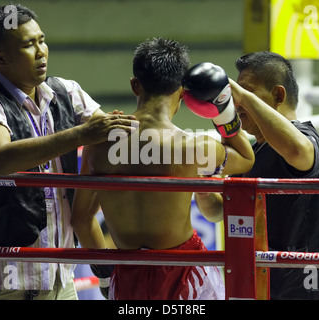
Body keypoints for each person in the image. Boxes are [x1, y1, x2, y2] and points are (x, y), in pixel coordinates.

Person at [0, 4, 136, 300]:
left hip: (59, 274)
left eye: (42, 40)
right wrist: (81, 134)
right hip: (5, 281)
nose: (41, 51)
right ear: (0, 57)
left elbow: (114, 134)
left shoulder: (66, 92)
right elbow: (1, 158)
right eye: (29, 44)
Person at [71, 38, 255, 300]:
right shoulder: (194, 146)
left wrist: (104, 273)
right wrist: (222, 110)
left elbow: (80, 219)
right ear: (183, 93)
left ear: (135, 85)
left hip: (127, 273)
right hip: (185, 271)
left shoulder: (98, 144)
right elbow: (246, 158)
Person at [195, 51, 319, 300]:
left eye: (247, 92)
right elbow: (219, 212)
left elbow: (298, 150)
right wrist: (204, 189)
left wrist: (241, 95)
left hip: (301, 286)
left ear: (278, 95)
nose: (237, 104)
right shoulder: (254, 151)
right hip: (260, 281)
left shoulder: (306, 138)